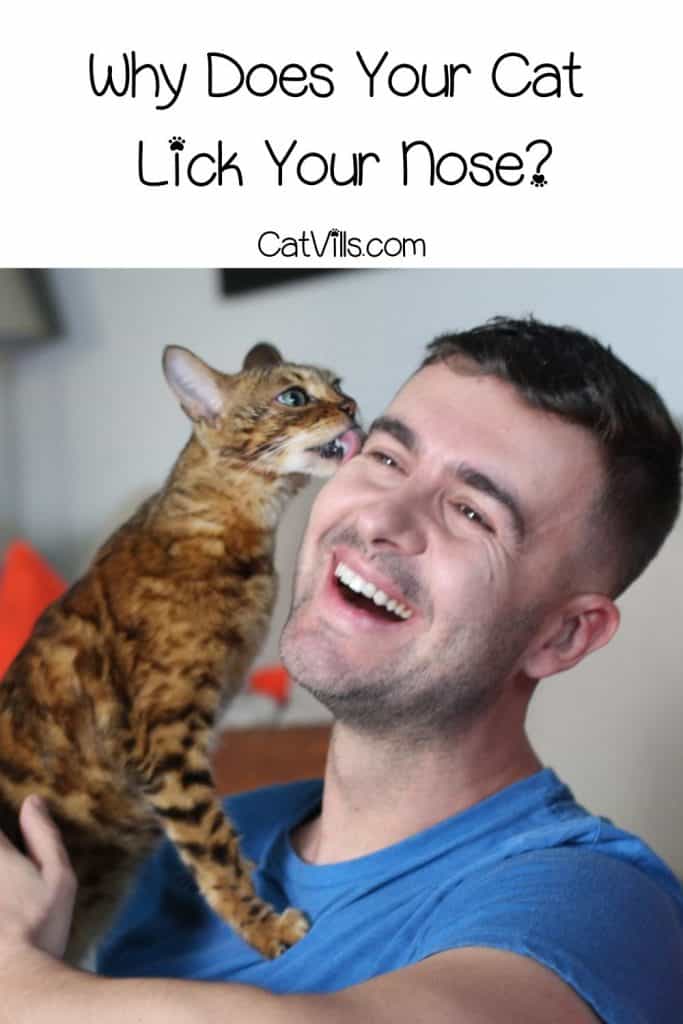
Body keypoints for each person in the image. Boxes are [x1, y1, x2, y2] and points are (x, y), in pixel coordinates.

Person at [0, 317, 682, 1023]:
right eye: (386, 458)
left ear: (563, 635)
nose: (382, 517)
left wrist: (15, 976)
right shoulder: (192, 844)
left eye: (471, 512)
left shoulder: (598, 902)